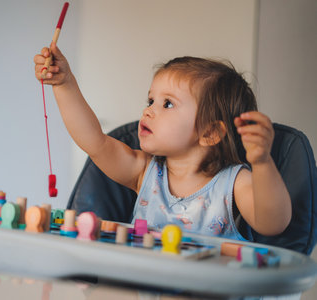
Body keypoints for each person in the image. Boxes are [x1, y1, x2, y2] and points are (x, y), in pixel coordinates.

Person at [33, 44, 291, 240]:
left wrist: (262, 162)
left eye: (167, 103)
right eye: (150, 101)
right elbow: (96, 143)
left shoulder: (234, 182)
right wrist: (64, 84)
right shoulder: (144, 172)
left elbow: (273, 223)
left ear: (210, 133)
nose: (148, 111)